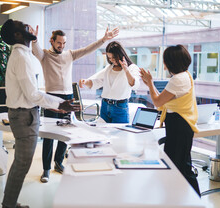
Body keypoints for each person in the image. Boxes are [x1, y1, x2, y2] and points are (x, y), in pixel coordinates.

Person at [0, 19, 79, 208]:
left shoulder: (24, 55)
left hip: (25, 114)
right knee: (21, 165)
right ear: (18, 35)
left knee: (21, 164)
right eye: (23, 25)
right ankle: (8, 205)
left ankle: (9, 203)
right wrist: (61, 104)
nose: (28, 25)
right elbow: (33, 94)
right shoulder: (21, 57)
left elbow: (32, 93)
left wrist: (58, 105)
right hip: (24, 116)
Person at [28, 26, 119, 183]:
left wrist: (104, 39)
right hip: (51, 97)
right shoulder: (45, 55)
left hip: (68, 97)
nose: (61, 46)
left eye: (64, 43)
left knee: (65, 133)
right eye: (59, 43)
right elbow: (35, 50)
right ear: (52, 41)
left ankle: (58, 162)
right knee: (49, 135)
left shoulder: (69, 55)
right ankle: (46, 169)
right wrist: (34, 39)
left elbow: (88, 49)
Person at [140, 44, 201, 196]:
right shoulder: (185, 75)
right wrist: (149, 83)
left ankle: (195, 200)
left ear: (170, 63)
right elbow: (162, 99)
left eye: (165, 61)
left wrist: (150, 82)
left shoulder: (177, 80)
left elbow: (157, 102)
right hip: (179, 125)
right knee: (179, 164)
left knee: (181, 167)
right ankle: (181, 199)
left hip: (179, 125)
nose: (164, 64)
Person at [79, 41, 140, 123]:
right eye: (109, 58)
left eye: (114, 57)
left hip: (120, 108)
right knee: (102, 133)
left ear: (120, 54)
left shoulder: (132, 68)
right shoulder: (109, 68)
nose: (112, 60)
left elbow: (134, 84)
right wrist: (85, 82)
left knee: (120, 134)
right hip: (105, 106)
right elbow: (97, 82)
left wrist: (126, 69)